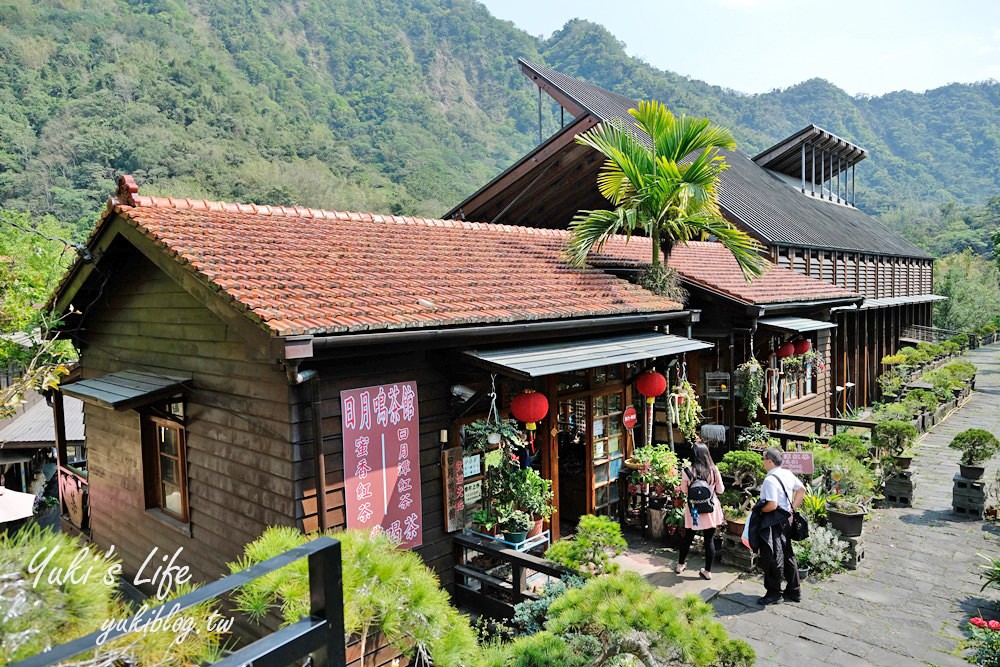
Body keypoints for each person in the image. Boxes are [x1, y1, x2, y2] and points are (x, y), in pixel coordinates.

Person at [755, 446, 806, 605]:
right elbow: (802, 490)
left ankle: (773, 593)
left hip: (773, 521)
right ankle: (794, 590)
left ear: (770, 461)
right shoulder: (787, 473)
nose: (762, 462)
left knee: (772, 556)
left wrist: (758, 510)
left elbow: (771, 505)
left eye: (763, 459)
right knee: (787, 553)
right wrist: (791, 509)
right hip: (787, 518)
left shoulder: (770, 479)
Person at [675, 442, 725, 580]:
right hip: (710, 509)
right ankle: (707, 571)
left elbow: (685, 491)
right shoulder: (714, 470)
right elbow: (720, 490)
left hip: (694, 510)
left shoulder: (687, 471)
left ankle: (680, 565)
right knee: (709, 540)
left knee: (688, 537)